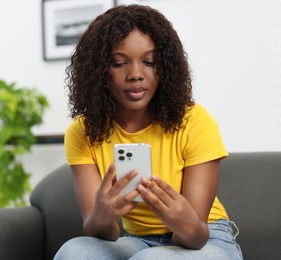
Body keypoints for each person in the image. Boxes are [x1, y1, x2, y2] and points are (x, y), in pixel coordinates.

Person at [55, 4, 243, 260]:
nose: (135, 74)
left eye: (150, 62)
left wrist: (180, 219)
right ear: (98, 70)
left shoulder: (195, 121)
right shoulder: (83, 132)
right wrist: (103, 214)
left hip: (206, 238)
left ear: (165, 67)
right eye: (119, 63)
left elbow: (195, 236)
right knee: (75, 251)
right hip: (138, 241)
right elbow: (100, 231)